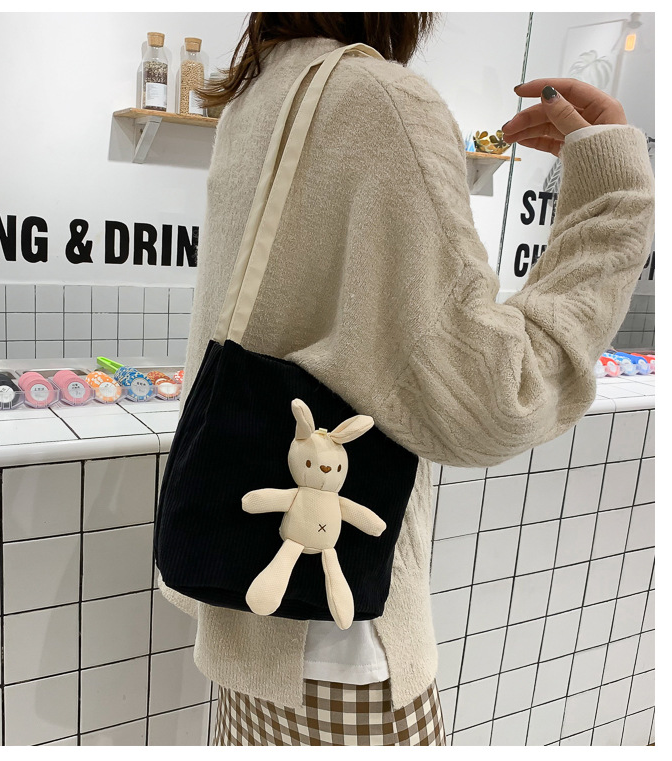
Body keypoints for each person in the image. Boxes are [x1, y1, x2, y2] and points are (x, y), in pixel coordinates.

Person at [157, 12, 655, 746]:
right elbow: (498, 393)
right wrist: (615, 194)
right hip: (344, 642)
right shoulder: (381, 102)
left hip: (249, 627)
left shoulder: (257, 94)